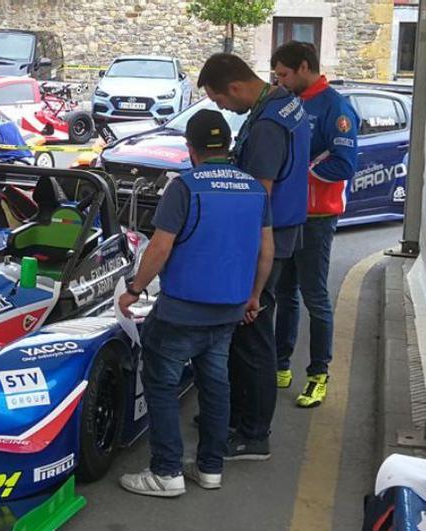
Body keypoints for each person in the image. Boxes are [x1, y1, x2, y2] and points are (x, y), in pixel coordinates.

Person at [116, 109, 274, 497]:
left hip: (181, 311)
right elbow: (265, 250)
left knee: (161, 383)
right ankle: (210, 468)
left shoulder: (185, 188)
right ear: (229, 146)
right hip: (229, 310)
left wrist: (135, 288)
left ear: (191, 149)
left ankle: (166, 472)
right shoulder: (255, 190)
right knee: (216, 384)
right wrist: (254, 296)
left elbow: (160, 247)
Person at [197, 53, 311, 461]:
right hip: (285, 231)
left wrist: (241, 258)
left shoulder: (265, 125)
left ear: (234, 88)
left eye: (219, 101)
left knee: (252, 334)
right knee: (253, 332)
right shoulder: (284, 101)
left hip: (267, 239)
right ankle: (239, 417)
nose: (222, 109)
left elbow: (256, 198)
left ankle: (253, 433)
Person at [270, 41, 360, 408]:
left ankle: (318, 374)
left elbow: (344, 164)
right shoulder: (291, 101)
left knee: (315, 297)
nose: (280, 81)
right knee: (284, 293)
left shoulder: (336, 108)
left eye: (285, 75)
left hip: (318, 218)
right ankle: (280, 364)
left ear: (305, 67)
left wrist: (300, 174)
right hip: (288, 216)